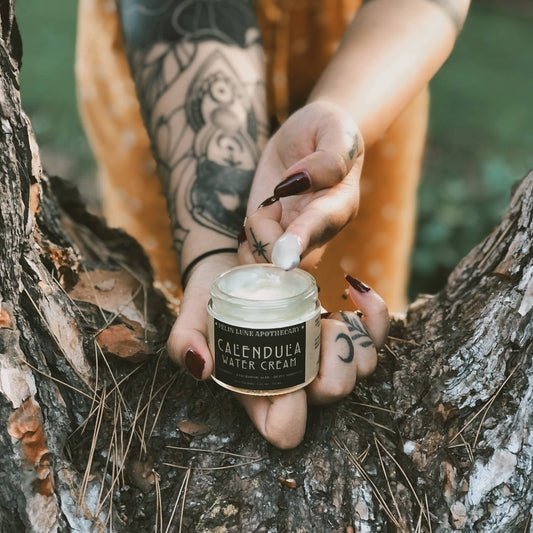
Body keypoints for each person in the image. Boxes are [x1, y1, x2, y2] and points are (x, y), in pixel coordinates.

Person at [76, 0, 470, 448]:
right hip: (177, 93)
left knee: (341, 290)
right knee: (168, 308)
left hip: (373, 66)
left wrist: (341, 115)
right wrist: (213, 252)